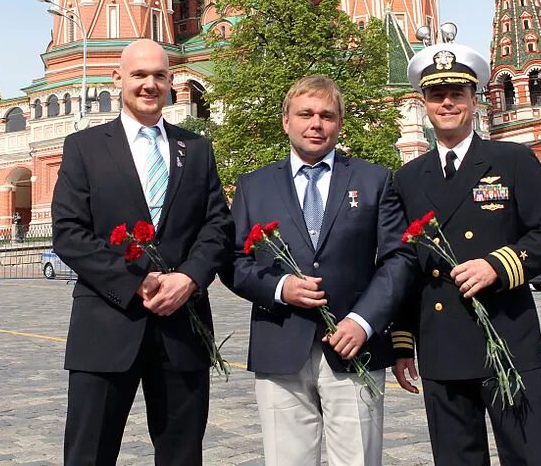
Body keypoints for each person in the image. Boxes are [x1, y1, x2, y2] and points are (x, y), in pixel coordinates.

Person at [52, 39, 234, 466]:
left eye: (159, 75)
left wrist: (189, 278)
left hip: (182, 328)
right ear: (118, 79)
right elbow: (68, 232)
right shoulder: (86, 148)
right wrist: (137, 281)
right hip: (106, 327)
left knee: (182, 455)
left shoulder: (198, 148)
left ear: (171, 82)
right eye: (139, 75)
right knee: (89, 454)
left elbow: (217, 225)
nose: (150, 85)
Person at [390, 43, 541, 465]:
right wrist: (402, 344)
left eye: (458, 93)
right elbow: (405, 265)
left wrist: (497, 265)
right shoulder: (408, 178)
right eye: (437, 95)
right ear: (425, 103)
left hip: (507, 339)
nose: (448, 103)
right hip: (441, 345)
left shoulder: (511, 160)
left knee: (531, 456)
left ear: (475, 100)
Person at [228, 75, 413, 466]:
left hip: (354, 346)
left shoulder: (374, 180)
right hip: (280, 345)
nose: (316, 123)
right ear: (286, 121)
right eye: (306, 114)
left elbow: (399, 259)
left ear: (339, 124)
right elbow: (232, 261)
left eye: (327, 115)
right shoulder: (253, 186)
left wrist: (363, 321)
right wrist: (279, 288)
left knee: (358, 459)